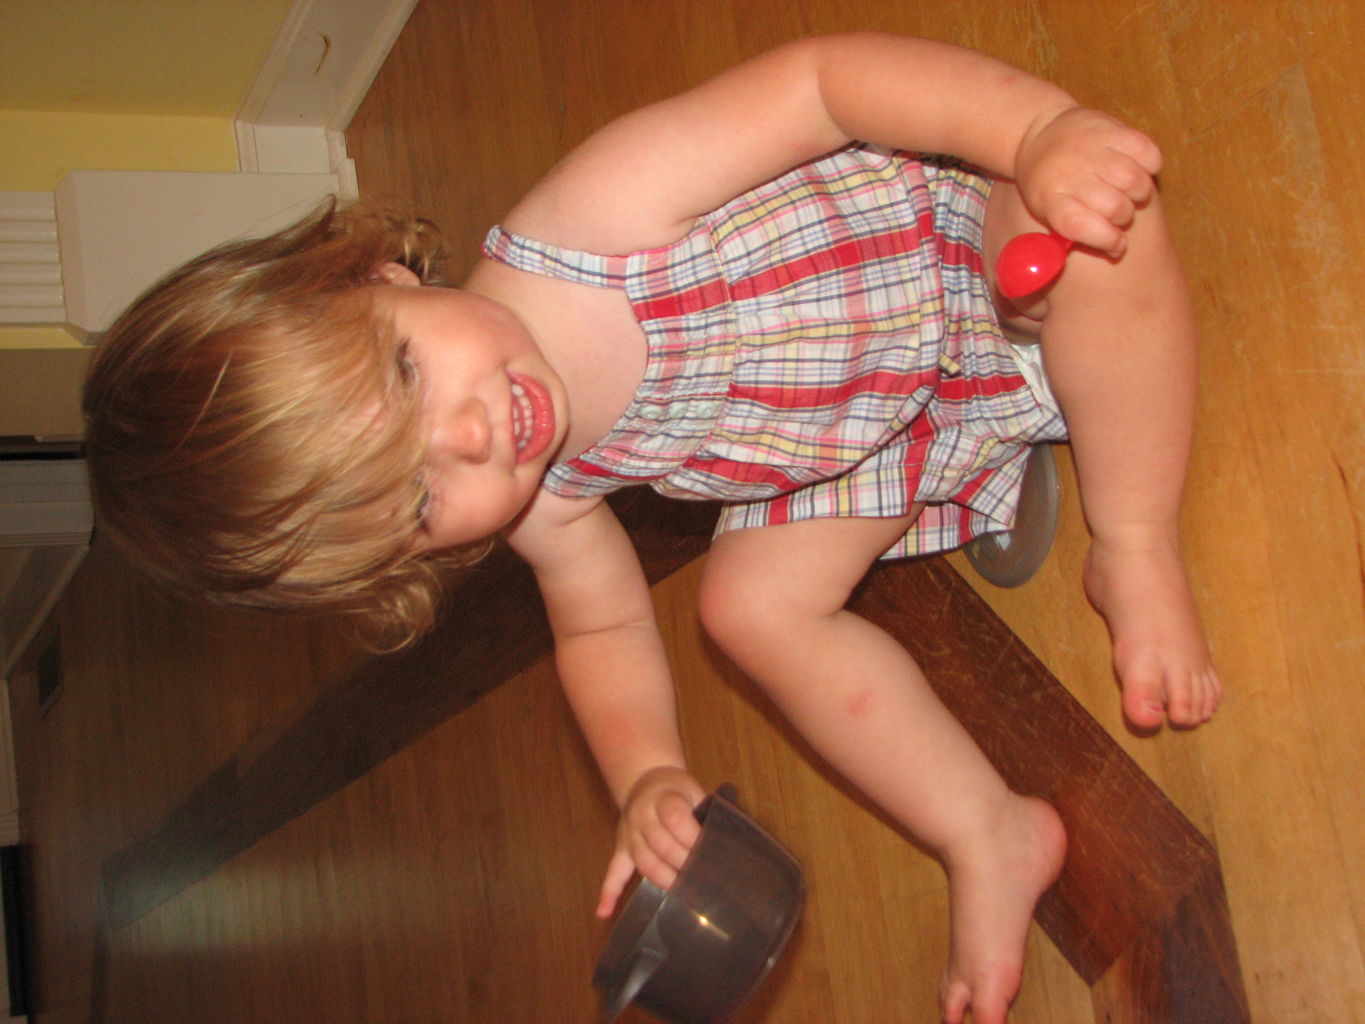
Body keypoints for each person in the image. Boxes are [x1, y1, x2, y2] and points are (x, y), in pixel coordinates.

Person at [83, 33, 1223, 1024]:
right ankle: (987, 828)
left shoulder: (586, 221)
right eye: (422, 496)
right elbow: (600, 628)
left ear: (377, 271)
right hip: (859, 437)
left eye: (405, 370)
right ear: (413, 558)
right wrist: (645, 772)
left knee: (1097, 234)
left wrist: (1035, 132)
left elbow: (827, 83)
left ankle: (1132, 537)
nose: (476, 437)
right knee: (746, 608)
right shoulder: (539, 492)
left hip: (960, 247)